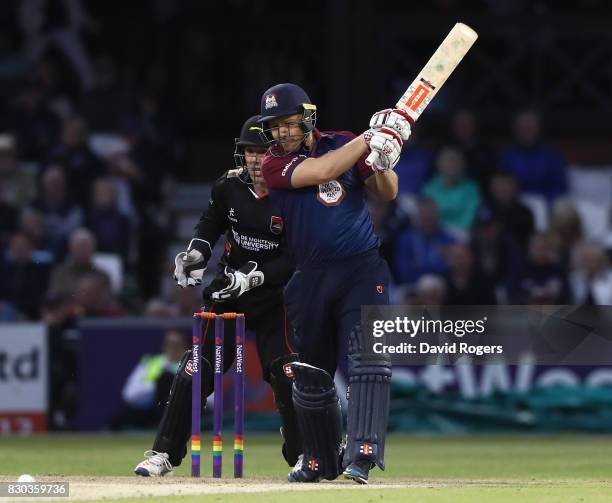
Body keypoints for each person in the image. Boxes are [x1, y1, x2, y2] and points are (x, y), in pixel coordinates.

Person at [258, 83, 410, 484]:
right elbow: (323, 172)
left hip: (362, 271)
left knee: (369, 361)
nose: (282, 134)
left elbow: (387, 192)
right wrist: (370, 138)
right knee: (311, 372)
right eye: (274, 127)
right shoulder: (273, 165)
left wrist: (382, 159)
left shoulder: (341, 143)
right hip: (309, 276)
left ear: (307, 117)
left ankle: (362, 455)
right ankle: (318, 459)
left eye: (289, 124)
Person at [134, 115, 301, 477]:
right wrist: (195, 253)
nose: (256, 160)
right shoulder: (228, 186)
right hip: (228, 294)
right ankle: (163, 454)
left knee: (286, 373)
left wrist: (253, 279)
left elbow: (295, 258)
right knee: (195, 369)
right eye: (250, 152)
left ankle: (303, 455)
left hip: (276, 298)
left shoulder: (293, 192)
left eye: (264, 151)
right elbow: (210, 223)